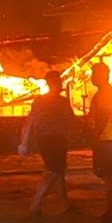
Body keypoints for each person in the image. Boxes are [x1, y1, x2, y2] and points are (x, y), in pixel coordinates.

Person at [19, 70, 75, 215]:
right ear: (57, 82)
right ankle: (35, 204)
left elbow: (30, 122)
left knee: (58, 171)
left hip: (43, 140)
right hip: (57, 140)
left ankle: (65, 204)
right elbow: (70, 119)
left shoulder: (39, 101)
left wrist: (24, 143)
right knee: (53, 171)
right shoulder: (62, 101)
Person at [88, 62, 112, 222]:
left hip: (109, 140)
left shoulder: (105, 93)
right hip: (109, 139)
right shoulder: (106, 92)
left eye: (94, 74)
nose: (91, 77)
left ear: (101, 75)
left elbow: (103, 116)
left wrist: (96, 136)